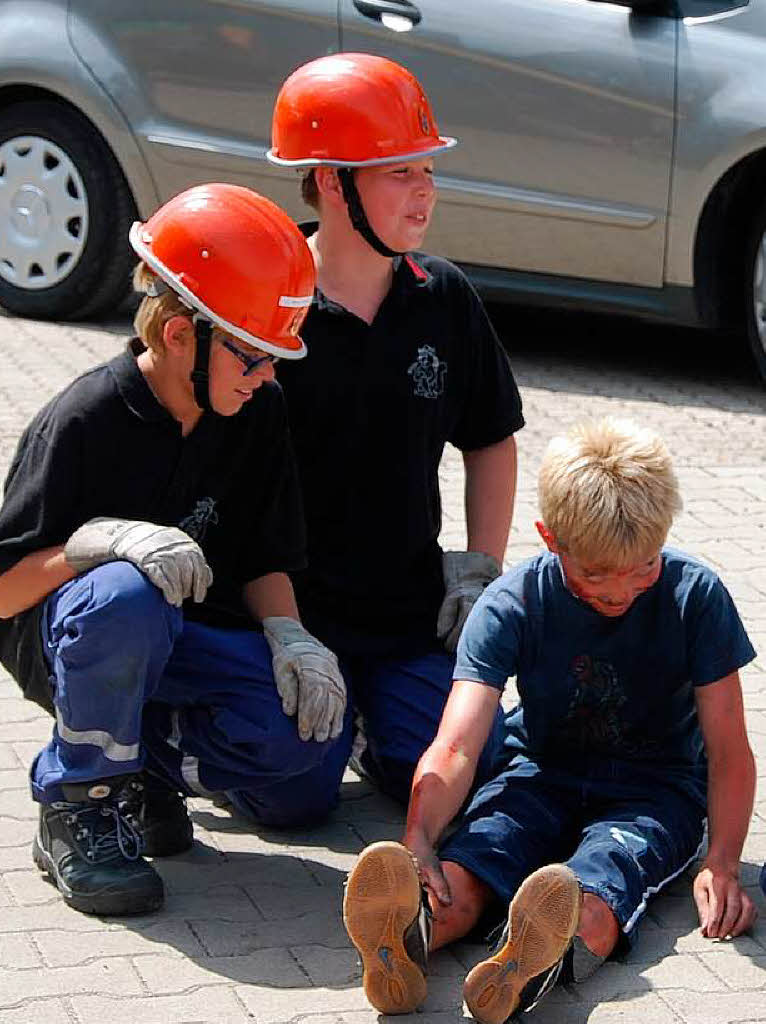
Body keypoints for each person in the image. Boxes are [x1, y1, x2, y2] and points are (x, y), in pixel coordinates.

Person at [0, 183, 350, 916]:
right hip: (78, 638)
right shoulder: (86, 418)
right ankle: (79, 801)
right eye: (250, 357)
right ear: (179, 335)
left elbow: (264, 555)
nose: (266, 377)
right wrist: (89, 549)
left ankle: (142, 769)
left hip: (180, 642)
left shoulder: (258, 412)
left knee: (307, 753)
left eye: (273, 359)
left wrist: (293, 639)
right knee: (126, 594)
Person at [342, 417, 758, 1021]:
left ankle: (524, 967)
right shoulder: (512, 601)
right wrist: (419, 839)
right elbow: (457, 744)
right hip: (538, 772)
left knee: (597, 890)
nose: (621, 591)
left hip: (654, 792)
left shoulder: (697, 597)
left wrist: (721, 861)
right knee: (465, 868)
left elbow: (728, 750)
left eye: (643, 568)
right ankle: (406, 942)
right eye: (595, 576)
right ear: (549, 538)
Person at [267, 53, 525, 805]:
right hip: (291, 619)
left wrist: (479, 570)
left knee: (472, 768)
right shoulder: (265, 303)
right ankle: (201, 727)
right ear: (328, 181)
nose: (424, 194)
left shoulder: (443, 297)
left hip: (406, 617)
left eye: (428, 171)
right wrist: (281, 631)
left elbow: (491, 439)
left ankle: (372, 725)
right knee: (293, 797)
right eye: (398, 173)